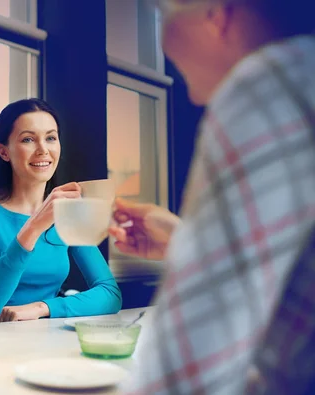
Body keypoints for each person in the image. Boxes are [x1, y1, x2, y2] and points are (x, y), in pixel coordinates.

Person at [110, 0, 315, 393]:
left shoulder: (271, 85)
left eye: (160, 13)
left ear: (215, 14)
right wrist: (184, 242)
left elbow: (185, 377)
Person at [0, 98, 122, 324]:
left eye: (51, 138)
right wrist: (34, 227)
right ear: (4, 151)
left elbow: (110, 295)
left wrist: (41, 308)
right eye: (28, 139)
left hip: (45, 337)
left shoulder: (69, 211)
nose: (43, 150)